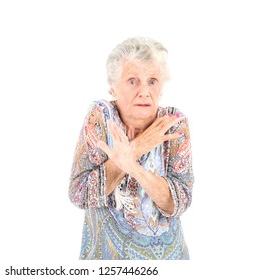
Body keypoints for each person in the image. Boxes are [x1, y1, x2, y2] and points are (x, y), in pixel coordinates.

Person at [69, 37, 194, 260]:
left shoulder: (174, 122)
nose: (144, 91)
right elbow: (79, 194)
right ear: (113, 88)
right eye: (133, 81)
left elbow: (180, 202)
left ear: (161, 88)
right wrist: (140, 147)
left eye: (153, 81)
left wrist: (132, 167)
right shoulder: (101, 118)